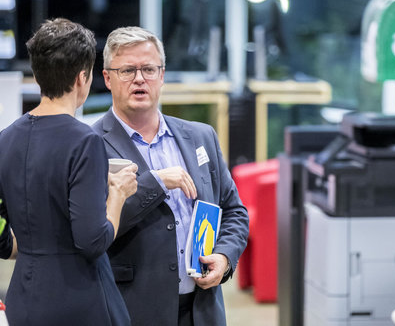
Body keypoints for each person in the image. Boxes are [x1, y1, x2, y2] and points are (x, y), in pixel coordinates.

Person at [92, 26, 249, 326]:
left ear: (162, 76)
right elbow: (93, 230)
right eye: (127, 70)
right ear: (108, 79)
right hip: (132, 311)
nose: (140, 79)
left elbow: (233, 211)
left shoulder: (201, 136)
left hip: (203, 310)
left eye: (149, 69)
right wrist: (156, 183)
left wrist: (225, 257)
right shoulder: (90, 144)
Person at [0, 18, 138, 325]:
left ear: (36, 75)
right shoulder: (84, 141)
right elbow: (92, 241)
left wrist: (35, 248)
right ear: (82, 78)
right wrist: (117, 194)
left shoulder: (5, 139)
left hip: (22, 298)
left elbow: (1, 234)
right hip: (79, 299)